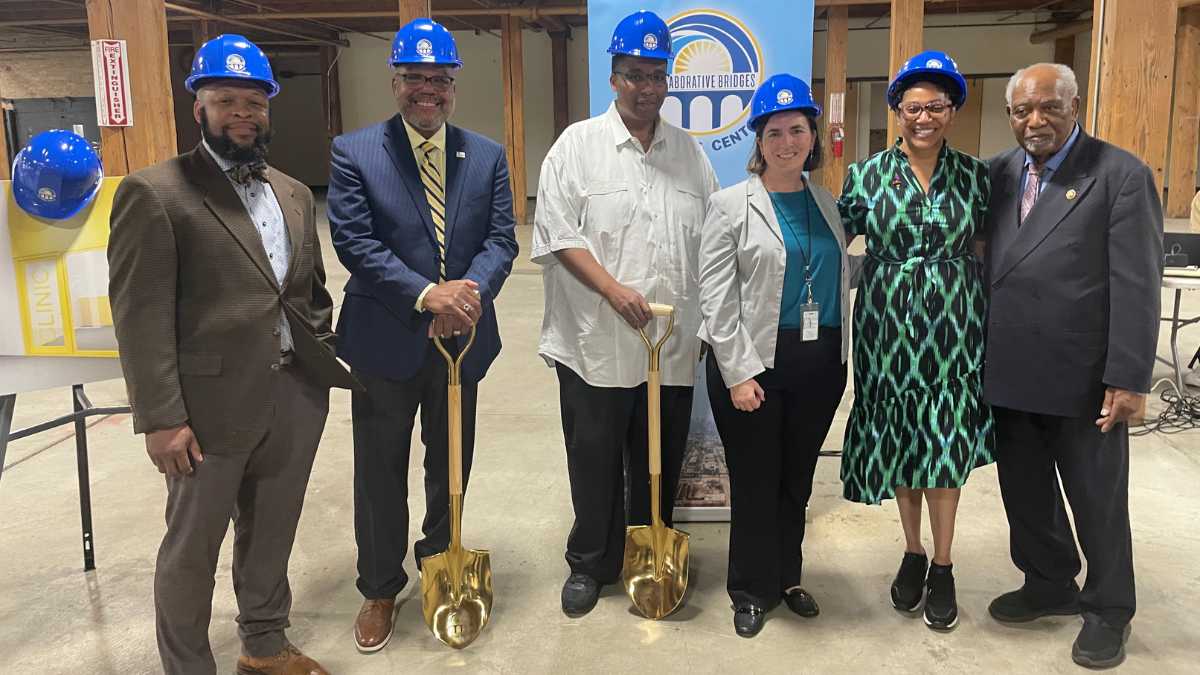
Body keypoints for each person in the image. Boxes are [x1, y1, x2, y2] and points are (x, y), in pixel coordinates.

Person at [107, 34, 357, 675]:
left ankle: (265, 645)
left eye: (253, 100)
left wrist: (319, 363)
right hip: (205, 411)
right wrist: (160, 417)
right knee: (192, 548)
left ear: (269, 106)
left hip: (293, 397)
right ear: (199, 107)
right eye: (225, 100)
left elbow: (308, 291)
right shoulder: (155, 194)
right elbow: (140, 318)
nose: (241, 113)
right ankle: (189, 665)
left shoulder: (295, 192)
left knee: (272, 532)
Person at [327, 18, 517, 653]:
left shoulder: (485, 155)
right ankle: (380, 587)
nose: (427, 89)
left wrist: (466, 295)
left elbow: (501, 239)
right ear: (396, 82)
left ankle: (442, 562)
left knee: (451, 463)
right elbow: (354, 241)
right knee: (380, 471)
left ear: (454, 84)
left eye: (439, 78)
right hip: (385, 339)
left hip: (461, 340)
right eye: (415, 77)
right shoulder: (355, 153)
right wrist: (424, 294)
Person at [532, 9, 718, 617]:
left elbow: (714, 241)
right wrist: (613, 290)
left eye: (657, 74)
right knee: (592, 458)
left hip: (668, 348)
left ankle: (648, 556)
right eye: (634, 74)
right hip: (593, 346)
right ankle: (591, 563)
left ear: (668, 81)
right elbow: (558, 234)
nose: (646, 86)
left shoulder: (690, 156)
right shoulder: (577, 147)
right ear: (613, 78)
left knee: (656, 461)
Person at [983, 62, 1162, 669]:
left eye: (1049, 107)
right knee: (1026, 493)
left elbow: (1138, 283)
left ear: (1075, 105)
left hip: (1085, 376)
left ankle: (1109, 608)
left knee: (1096, 499)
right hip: (1009, 367)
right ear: (1010, 115)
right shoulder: (998, 173)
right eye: (1022, 110)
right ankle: (1048, 580)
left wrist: (1130, 376)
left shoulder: (1119, 175)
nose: (1035, 121)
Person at [837, 50, 993, 631]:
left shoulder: (977, 177)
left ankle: (945, 564)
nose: (924, 117)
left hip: (955, 326)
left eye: (937, 106)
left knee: (945, 438)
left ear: (952, 111)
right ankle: (912, 551)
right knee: (900, 436)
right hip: (885, 327)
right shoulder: (865, 176)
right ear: (896, 109)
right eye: (913, 106)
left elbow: (986, 249)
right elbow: (834, 244)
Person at [697, 74, 857, 638]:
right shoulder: (729, 205)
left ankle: (787, 576)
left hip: (819, 364)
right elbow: (714, 298)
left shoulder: (827, 203)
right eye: (774, 132)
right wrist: (738, 373)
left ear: (812, 135)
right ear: (758, 142)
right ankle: (749, 587)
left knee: (798, 480)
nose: (787, 141)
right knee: (757, 479)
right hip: (754, 366)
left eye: (797, 130)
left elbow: (834, 273)